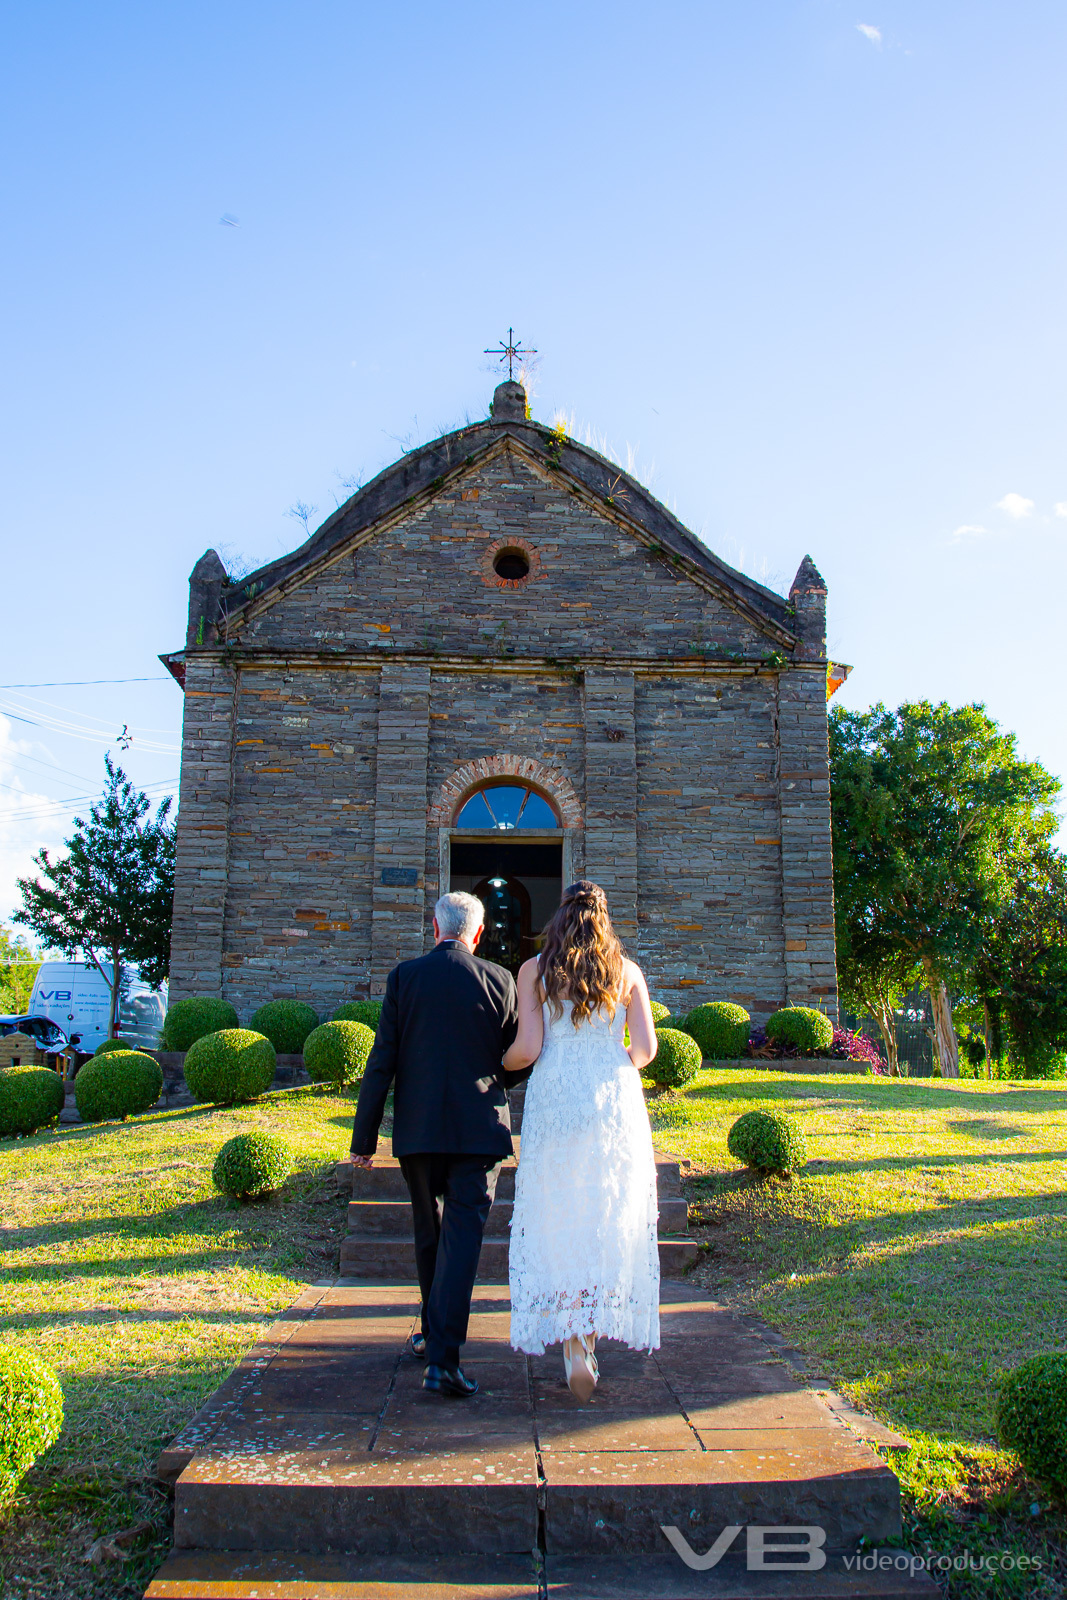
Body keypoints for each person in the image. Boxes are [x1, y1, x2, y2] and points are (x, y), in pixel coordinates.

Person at [350, 891, 525, 1398]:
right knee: (462, 1241)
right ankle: (443, 1359)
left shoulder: (405, 976)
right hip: (478, 1128)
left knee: (429, 1235)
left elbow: (382, 1059)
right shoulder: (500, 979)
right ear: (478, 933)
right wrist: (496, 1085)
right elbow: (517, 1054)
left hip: (419, 1130)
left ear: (435, 928)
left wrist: (365, 1139)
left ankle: (433, 1335)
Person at [504, 880, 660, 1401]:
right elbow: (646, 1048)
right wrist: (612, 1066)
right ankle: (588, 1336)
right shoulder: (628, 972)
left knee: (559, 1209)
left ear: (560, 918)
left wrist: (493, 1065)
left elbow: (527, 1048)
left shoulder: (535, 972)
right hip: (613, 1097)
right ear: (604, 919)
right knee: (606, 1211)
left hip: (555, 1096)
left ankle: (573, 1337)